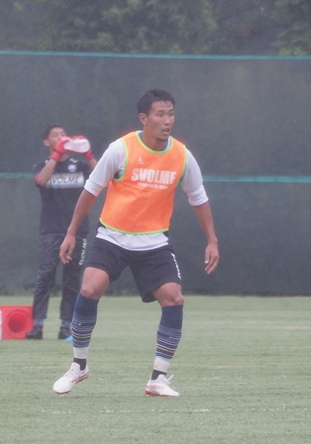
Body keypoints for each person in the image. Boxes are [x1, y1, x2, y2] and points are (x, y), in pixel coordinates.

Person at [53, 89, 220, 397]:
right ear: (144, 118)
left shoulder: (182, 155)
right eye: (160, 114)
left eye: (171, 114)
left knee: (174, 298)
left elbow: (198, 198)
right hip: (112, 236)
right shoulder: (121, 149)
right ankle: (78, 366)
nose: (167, 120)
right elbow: (91, 190)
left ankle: (158, 379)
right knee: (89, 288)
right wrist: (71, 233)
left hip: (154, 243)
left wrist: (212, 240)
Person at [26, 125, 98, 340]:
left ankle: (66, 326)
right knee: (46, 275)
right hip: (51, 230)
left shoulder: (81, 166)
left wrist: (88, 154)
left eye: (63, 135)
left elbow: (103, 176)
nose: (61, 138)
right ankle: (37, 326)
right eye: (55, 135)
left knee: (72, 279)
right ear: (47, 142)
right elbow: (41, 181)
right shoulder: (42, 166)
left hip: (77, 232)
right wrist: (56, 156)